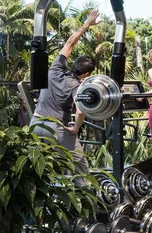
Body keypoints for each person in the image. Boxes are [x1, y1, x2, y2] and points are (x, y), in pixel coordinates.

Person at [29, 10, 100, 175]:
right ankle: (86, 199)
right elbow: (80, 111)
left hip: (35, 124)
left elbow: (69, 43)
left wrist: (87, 24)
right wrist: (75, 128)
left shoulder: (55, 69)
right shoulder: (76, 86)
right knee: (81, 168)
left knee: (37, 170)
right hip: (56, 128)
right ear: (86, 74)